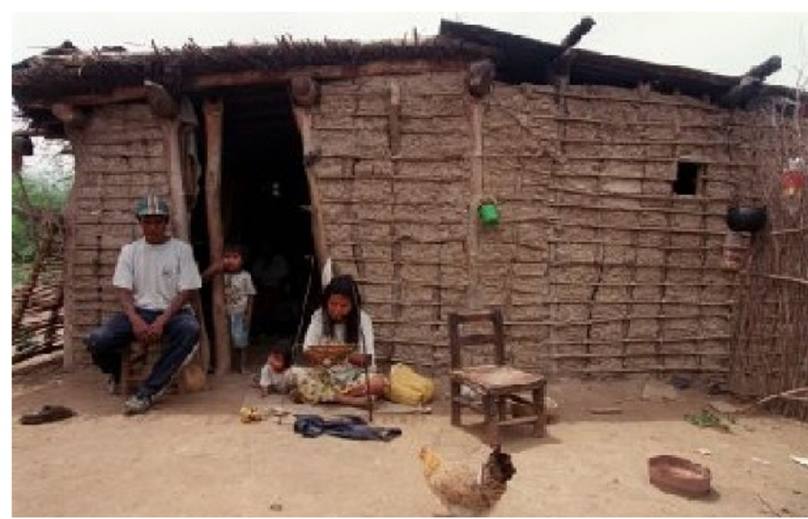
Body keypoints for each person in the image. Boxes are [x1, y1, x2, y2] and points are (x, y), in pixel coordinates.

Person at [84, 194, 202, 415]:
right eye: (147, 221)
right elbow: (123, 290)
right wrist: (136, 319)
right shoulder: (130, 251)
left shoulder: (181, 250)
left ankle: (147, 392)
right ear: (140, 223)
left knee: (190, 330)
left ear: (166, 223)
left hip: (174, 313)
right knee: (96, 340)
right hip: (139, 312)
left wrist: (162, 321)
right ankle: (115, 371)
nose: (153, 227)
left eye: (158, 221)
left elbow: (187, 290)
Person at [294, 275, 387, 408]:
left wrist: (343, 355)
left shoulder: (363, 320)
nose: (337, 310)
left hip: (353, 377)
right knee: (294, 375)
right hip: (326, 376)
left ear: (353, 305)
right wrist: (321, 355)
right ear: (326, 301)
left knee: (378, 383)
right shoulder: (319, 316)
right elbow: (307, 349)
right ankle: (350, 400)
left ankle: (328, 397)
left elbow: (368, 360)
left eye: (343, 306)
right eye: (333, 304)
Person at [202, 244, 256, 373]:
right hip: (223, 314)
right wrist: (214, 269)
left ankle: (242, 366)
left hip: (239, 313)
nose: (230, 260)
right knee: (221, 340)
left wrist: (248, 315)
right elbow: (203, 278)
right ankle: (215, 363)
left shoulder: (245, 276)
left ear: (243, 260)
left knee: (240, 341)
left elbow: (250, 296)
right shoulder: (219, 275)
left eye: (235, 257)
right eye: (227, 257)